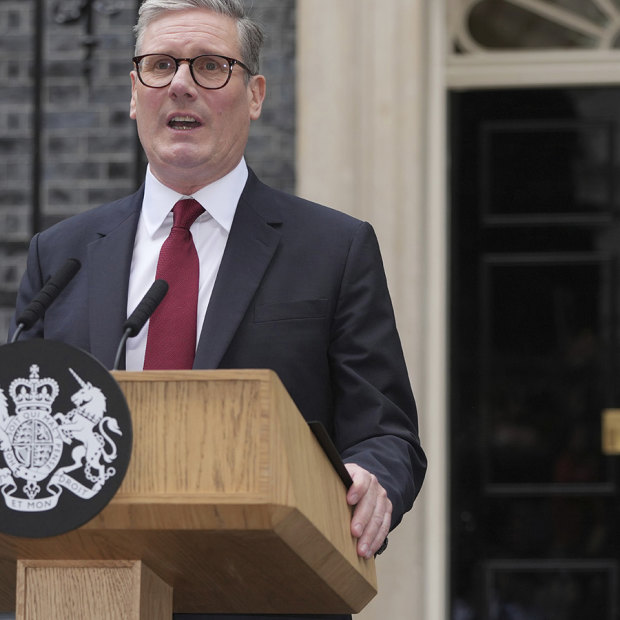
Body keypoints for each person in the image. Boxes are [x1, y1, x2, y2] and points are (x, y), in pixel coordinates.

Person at [9, 1, 426, 618]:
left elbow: (387, 432)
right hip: (87, 586)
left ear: (255, 95)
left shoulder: (333, 249)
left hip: (264, 587)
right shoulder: (62, 255)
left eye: (209, 66)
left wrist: (373, 478)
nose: (180, 83)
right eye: (159, 65)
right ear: (134, 92)